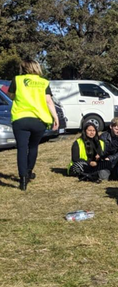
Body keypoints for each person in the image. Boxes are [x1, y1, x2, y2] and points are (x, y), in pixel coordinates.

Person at [8, 59, 59, 190]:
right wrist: (55, 117)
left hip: (20, 118)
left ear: (23, 68)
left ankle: (23, 178)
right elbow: (48, 101)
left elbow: (11, 95)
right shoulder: (43, 82)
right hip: (39, 119)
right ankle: (29, 171)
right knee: (33, 147)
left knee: (21, 148)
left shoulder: (17, 80)